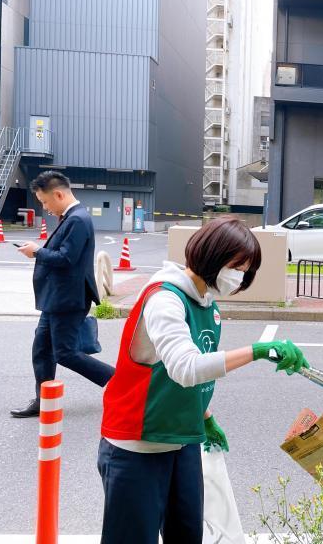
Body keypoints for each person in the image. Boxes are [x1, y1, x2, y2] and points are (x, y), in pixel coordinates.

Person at [98, 217, 310, 544]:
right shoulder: (164, 299)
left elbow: (192, 374)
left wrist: (204, 415)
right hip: (137, 443)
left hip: (182, 440)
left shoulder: (207, 304)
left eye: (246, 269)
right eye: (236, 265)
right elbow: (185, 367)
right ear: (212, 254)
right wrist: (257, 352)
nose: (239, 276)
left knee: (187, 535)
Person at [11, 171, 115, 418]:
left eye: (45, 202)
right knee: (41, 349)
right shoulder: (71, 217)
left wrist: (37, 252)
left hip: (68, 299)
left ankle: (120, 381)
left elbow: (66, 258)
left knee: (66, 353)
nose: (45, 208)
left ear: (58, 194)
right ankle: (43, 400)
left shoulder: (78, 220)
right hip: (57, 299)